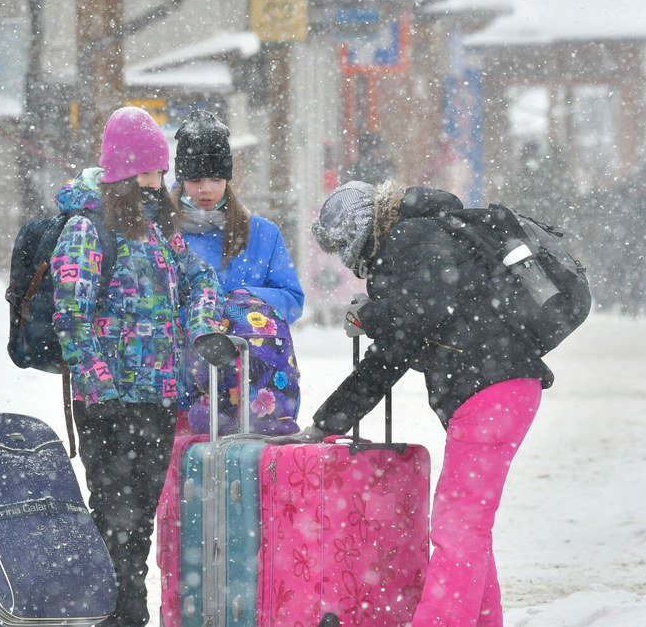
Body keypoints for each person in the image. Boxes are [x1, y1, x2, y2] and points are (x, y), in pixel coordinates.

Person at [300, 180, 555, 627]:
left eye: (343, 246)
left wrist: (370, 315)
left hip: (491, 389)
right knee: (468, 526)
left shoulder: (411, 237)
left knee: (459, 526)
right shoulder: (417, 242)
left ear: (360, 230)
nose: (345, 260)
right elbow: (390, 357)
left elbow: (424, 310)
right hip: (498, 388)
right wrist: (328, 423)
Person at [51, 106, 229, 627]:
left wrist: (201, 329)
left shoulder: (159, 232)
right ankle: (114, 616)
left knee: (137, 526)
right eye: (150, 173)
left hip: (155, 398)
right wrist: (100, 388)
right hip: (108, 404)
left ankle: (121, 615)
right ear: (125, 174)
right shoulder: (86, 229)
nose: (160, 183)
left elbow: (201, 281)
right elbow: (71, 316)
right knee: (112, 521)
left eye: (161, 173)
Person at [169, 109, 304, 428]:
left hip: (254, 386)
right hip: (181, 386)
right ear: (181, 178)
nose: (205, 189)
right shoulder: (161, 234)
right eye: (195, 179)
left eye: (215, 179)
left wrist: (239, 303)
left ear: (227, 178)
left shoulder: (262, 234)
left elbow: (292, 298)